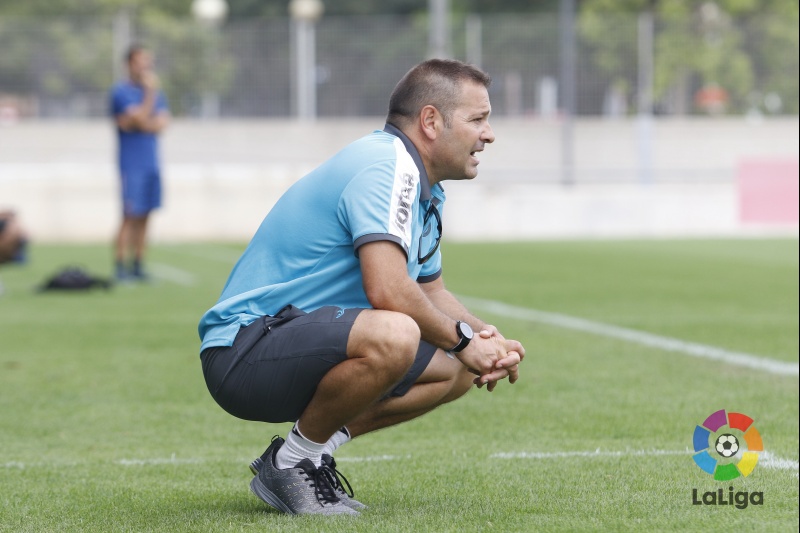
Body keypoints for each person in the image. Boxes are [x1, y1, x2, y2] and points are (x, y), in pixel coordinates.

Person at [198, 59, 525, 516]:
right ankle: (291, 463)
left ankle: (309, 455)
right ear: (431, 121)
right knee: (397, 332)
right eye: (478, 119)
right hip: (245, 349)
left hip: (292, 339)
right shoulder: (388, 167)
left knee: (458, 368)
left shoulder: (424, 189)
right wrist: (462, 338)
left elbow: (430, 293)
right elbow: (389, 291)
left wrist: (485, 338)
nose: (489, 134)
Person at [109, 44, 170, 281]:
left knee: (146, 215)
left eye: (147, 61)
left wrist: (142, 121)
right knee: (129, 215)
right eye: (140, 61)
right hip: (131, 164)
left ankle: (138, 264)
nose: (145, 66)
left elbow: (161, 123)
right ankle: (120, 265)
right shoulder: (121, 92)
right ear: (129, 64)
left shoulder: (157, 94)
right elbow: (140, 118)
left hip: (151, 162)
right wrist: (148, 97)